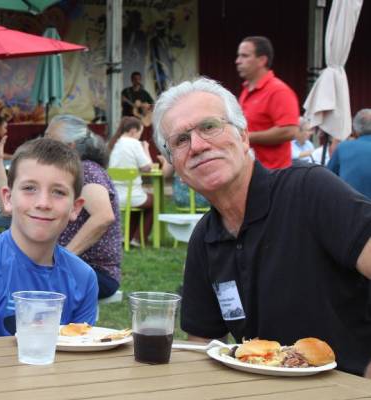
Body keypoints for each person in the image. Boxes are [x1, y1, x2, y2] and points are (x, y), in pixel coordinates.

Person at [152, 76, 371, 377]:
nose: (198, 146)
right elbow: (203, 344)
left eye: (209, 127)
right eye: (180, 140)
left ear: (243, 137)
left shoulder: (309, 191)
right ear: (174, 165)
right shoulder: (205, 238)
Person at [0, 138, 98, 340]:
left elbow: (80, 361)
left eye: (58, 192)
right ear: (7, 198)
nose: (43, 203)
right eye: (29, 188)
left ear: (75, 208)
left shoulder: (83, 278)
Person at [46, 115, 123, 300]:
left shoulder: (85, 170)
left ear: (70, 146)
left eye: (49, 139)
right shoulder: (73, 171)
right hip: (79, 267)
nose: (43, 144)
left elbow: (104, 216)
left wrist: (61, 258)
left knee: (23, 284)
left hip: (95, 272)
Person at [236, 36, 299, 169]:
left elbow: (289, 131)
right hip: (250, 171)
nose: (238, 61)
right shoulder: (246, 90)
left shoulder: (278, 91)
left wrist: (247, 137)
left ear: (262, 60)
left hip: (273, 175)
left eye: (244, 56)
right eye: (238, 56)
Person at [107, 116, 154, 245]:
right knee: (154, 201)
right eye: (140, 133)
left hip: (115, 196)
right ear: (133, 130)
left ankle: (128, 237)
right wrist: (146, 148)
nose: (140, 136)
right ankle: (139, 239)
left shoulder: (114, 143)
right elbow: (147, 168)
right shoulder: (134, 143)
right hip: (131, 195)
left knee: (139, 203)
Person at [327, 109, 371, 199]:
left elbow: (329, 178)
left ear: (354, 128)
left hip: (350, 206)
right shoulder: (342, 147)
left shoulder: (343, 148)